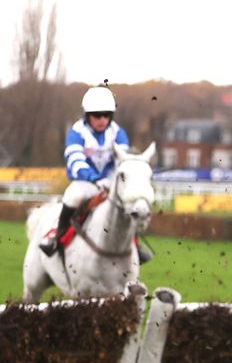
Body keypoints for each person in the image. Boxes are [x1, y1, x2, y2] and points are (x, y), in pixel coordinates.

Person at [40, 84, 152, 261]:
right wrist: (94, 178)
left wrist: (112, 180)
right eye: (97, 115)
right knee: (71, 197)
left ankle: (135, 245)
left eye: (106, 115)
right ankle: (56, 238)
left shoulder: (118, 133)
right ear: (87, 115)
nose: (102, 119)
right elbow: (75, 161)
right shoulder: (77, 132)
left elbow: (121, 160)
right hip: (84, 182)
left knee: (128, 205)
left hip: (110, 182)